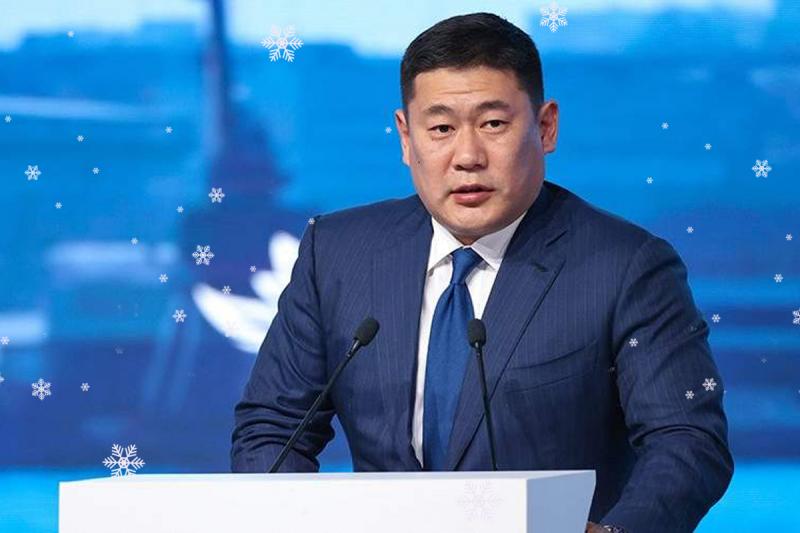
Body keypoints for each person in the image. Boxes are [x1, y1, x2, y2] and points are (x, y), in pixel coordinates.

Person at [231, 12, 733, 533]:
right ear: (405, 137)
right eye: (441, 128)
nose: (467, 156)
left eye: (493, 124)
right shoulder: (337, 254)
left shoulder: (626, 267)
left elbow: (686, 441)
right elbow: (272, 426)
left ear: (545, 126)